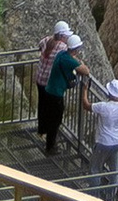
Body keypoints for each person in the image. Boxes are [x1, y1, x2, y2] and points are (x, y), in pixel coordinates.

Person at [36, 19, 84, 156]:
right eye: (66, 35)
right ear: (62, 35)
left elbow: (40, 45)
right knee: (54, 115)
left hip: (39, 78)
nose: (67, 38)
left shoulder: (47, 40)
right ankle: (50, 145)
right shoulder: (62, 48)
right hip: (49, 82)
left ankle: (41, 131)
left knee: (42, 106)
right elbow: (72, 61)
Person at [86, 65, 118, 195]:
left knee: (95, 169)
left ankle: (94, 196)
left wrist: (84, 89)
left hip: (103, 142)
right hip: (117, 142)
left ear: (109, 92)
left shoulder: (103, 107)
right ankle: (111, 197)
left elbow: (86, 105)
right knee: (114, 172)